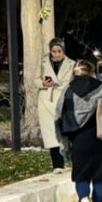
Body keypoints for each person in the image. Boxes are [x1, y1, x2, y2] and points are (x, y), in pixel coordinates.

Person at [55, 60, 102, 202]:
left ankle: (83, 200)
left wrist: (63, 141)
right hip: (101, 138)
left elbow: (59, 117)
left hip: (79, 140)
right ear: (92, 72)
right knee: (99, 179)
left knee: (81, 175)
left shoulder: (68, 91)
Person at [38, 38, 74, 172]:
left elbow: (74, 82)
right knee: (51, 134)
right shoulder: (43, 62)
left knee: (66, 131)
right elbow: (34, 79)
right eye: (54, 51)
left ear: (63, 51)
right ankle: (57, 164)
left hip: (64, 100)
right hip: (47, 100)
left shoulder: (72, 64)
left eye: (59, 51)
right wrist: (43, 84)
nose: (57, 54)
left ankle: (72, 159)